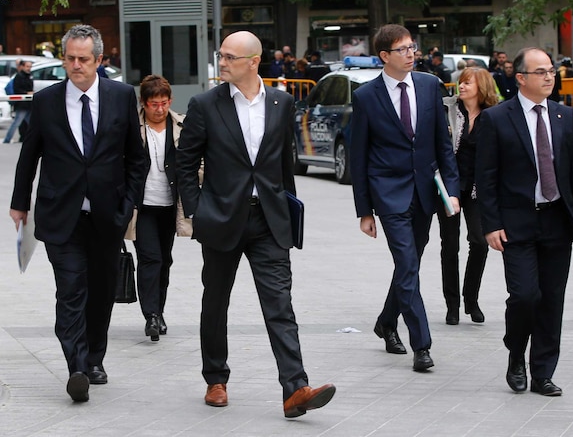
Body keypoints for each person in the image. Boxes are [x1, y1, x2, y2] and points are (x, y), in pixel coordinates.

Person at [176, 30, 335, 418]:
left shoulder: (281, 103)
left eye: (231, 57)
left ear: (253, 62)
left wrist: (289, 210)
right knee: (215, 303)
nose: (223, 62)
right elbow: (183, 163)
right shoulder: (204, 105)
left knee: (279, 304)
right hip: (221, 220)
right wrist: (197, 210)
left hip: (268, 221)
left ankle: (295, 389)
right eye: (221, 55)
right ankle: (216, 378)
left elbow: (284, 166)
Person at [9, 25, 147, 402]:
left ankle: (94, 358)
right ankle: (76, 367)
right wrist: (20, 202)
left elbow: (137, 157)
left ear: (99, 61)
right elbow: (29, 155)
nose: (75, 65)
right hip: (61, 214)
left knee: (101, 291)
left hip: (107, 216)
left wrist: (128, 202)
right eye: (69, 58)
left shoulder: (121, 96)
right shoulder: (47, 100)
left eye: (83, 59)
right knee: (71, 290)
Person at [475, 47, 573, 398]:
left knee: (552, 299)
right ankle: (516, 352)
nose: (549, 77)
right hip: (516, 222)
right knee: (525, 295)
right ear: (521, 78)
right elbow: (486, 177)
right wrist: (490, 224)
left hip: (557, 219)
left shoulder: (564, 116)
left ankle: (543, 371)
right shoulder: (497, 118)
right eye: (540, 71)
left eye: (551, 71)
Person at [350, 24, 460, 372]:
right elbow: (359, 156)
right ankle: (422, 346)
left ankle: (385, 322)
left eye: (413, 47)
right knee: (409, 265)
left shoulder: (429, 86)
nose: (412, 54)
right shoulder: (366, 96)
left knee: (407, 266)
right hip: (389, 195)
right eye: (403, 49)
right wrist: (364, 210)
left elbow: (443, 144)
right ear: (385, 56)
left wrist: (452, 192)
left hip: (425, 194)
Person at [125, 75, 189, 342]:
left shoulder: (181, 127)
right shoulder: (131, 128)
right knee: (150, 259)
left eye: (164, 103)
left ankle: (158, 311)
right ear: (144, 103)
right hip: (143, 207)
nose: (160, 109)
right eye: (154, 104)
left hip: (170, 206)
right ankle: (151, 315)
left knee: (164, 260)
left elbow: (194, 162)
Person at [439, 67, 498, 325]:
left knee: (480, 242)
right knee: (450, 246)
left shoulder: (493, 116)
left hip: (477, 190)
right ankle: (452, 304)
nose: (460, 86)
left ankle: (471, 299)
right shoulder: (447, 109)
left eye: (467, 83)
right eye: (460, 82)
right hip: (450, 188)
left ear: (482, 86)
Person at [2, 59, 34, 144]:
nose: (29, 68)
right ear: (22, 67)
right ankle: (7, 139)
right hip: (22, 104)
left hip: (29, 103)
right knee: (17, 122)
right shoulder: (19, 76)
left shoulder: (30, 76)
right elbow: (17, 90)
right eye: (27, 66)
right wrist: (27, 92)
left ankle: (36, 140)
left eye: (30, 67)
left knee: (32, 123)